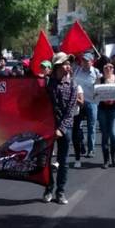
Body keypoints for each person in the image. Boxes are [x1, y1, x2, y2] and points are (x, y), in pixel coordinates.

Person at [42, 52, 76, 205]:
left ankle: (60, 192)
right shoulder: (47, 83)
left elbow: (70, 111)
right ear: (57, 66)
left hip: (65, 128)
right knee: (46, 161)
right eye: (65, 63)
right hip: (47, 127)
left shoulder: (73, 85)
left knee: (63, 161)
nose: (68, 66)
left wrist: (60, 129)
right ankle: (48, 188)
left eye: (69, 64)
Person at [97, 62, 115, 169]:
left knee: (113, 134)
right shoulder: (99, 79)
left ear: (113, 69)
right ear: (103, 68)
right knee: (105, 134)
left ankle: (113, 154)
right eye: (106, 67)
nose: (108, 68)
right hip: (103, 110)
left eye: (111, 67)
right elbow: (95, 94)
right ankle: (106, 159)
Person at [72, 52, 100, 158]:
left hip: (92, 102)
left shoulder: (96, 72)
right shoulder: (77, 70)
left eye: (86, 61)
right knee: (78, 126)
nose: (84, 62)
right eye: (83, 60)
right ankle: (81, 146)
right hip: (79, 102)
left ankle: (91, 149)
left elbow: (100, 86)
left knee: (91, 127)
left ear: (91, 62)